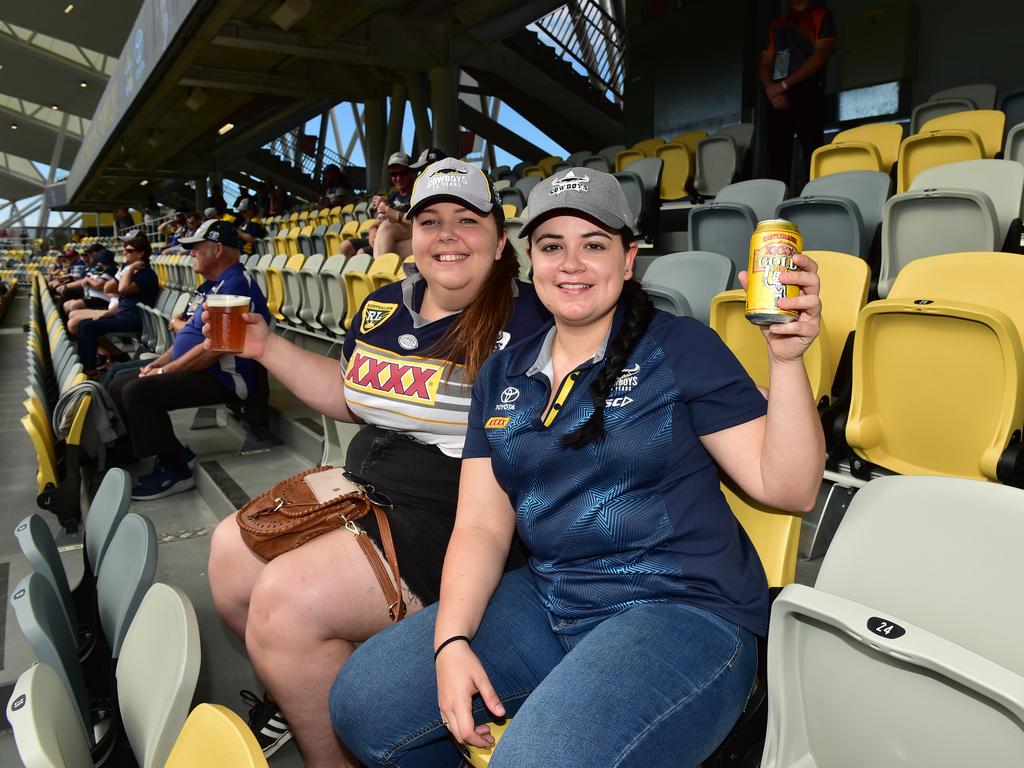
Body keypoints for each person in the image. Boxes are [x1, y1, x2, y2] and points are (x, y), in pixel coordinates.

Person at [330, 168, 826, 767]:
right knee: (364, 703)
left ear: (628, 259)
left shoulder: (679, 346)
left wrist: (789, 361)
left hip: (680, 607)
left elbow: (791, 488)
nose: (571, 263)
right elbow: (482, 526)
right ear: (530, 260)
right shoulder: (503, 372)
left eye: (593, 245)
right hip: (551, 594)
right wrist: (452, 640)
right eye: (551, 246)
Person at [205, 158, 550, 767]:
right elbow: (350, 396)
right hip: (375, 478)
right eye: (430, 220)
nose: (447, 235)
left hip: (467, 509)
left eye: (467, 221)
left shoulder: (535, 318)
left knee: (285, 604)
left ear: (501, 241)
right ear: (410, 236)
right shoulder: (383, 306)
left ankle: (332, 755)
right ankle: (308, 693)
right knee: (230, 553)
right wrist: (264, 345)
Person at [106, 220, 271, 500]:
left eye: (196, 247)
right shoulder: (211, 286)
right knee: (119, 382)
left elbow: (213, 350)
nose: (191, 253)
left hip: (225, 377)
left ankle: (175, 469)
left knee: (137, 391)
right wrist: (160, 362)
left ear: (218, 249)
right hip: (202, 369)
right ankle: (132, 450)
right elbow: (191, 335)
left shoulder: (235, 287)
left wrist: (166, 371)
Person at [759, 0, 837, 186]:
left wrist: (784, 85)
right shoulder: (778, 24)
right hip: (777, 94)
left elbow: (820, 57)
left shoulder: (821, 15)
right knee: (777, 154)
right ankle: (777, 204)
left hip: (807, 88)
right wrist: (772, 89)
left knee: (811, 149)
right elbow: (765, 62)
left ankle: (814, 199)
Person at [76, 232, 158, 377]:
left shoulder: (146, 274)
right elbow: (117, 293)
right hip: (123, 315)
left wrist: (130, 269)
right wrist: (108, 313)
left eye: (129, 251)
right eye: (124, 251)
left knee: (87, 327)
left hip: (135, 320)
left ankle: (89, 370)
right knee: (83, 324)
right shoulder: (135, 272)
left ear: (141, 253)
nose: (125, 253)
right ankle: (88, 366)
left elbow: (122, 289)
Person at [372, 151, 416, 258]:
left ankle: (379, 273)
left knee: (386, 228)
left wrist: (389, 211)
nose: (398, 178)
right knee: (360, 251)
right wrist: (372, 229)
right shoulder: (393, 196)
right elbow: (380, 220)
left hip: (413, 233)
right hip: (396, 239)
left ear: (410, 172)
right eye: (393, 174)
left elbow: (418, 222)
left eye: (402, 173)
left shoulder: (417, 192)